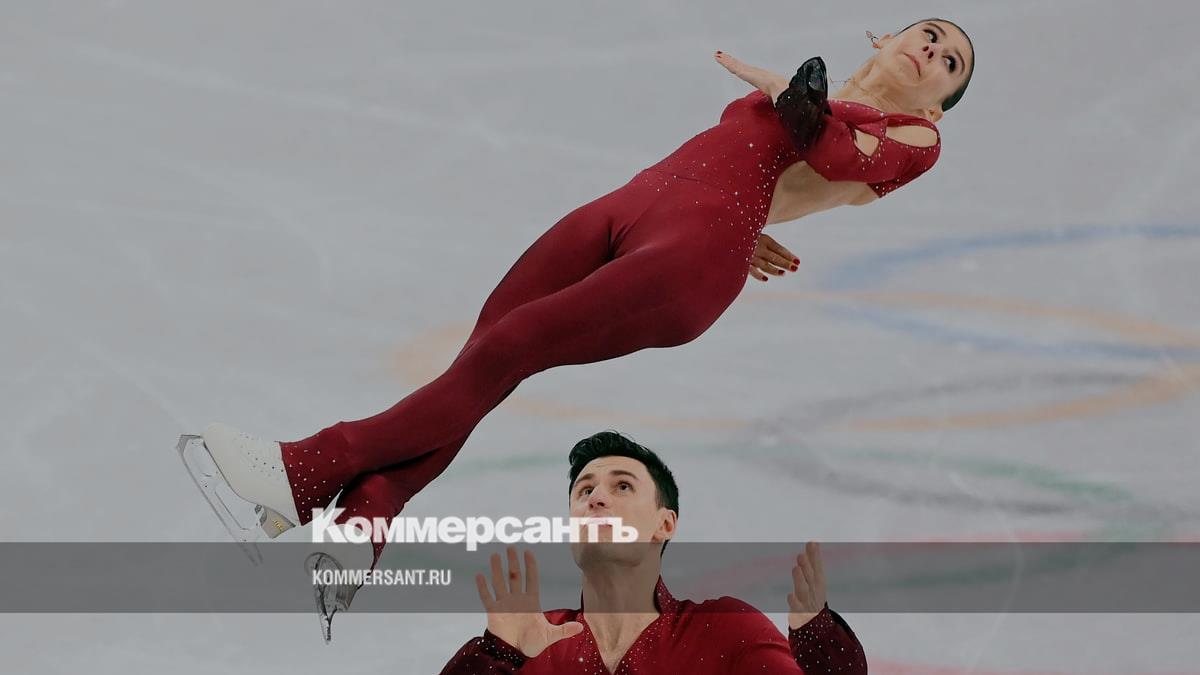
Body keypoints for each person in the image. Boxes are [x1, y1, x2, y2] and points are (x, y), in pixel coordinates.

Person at [187, 16, 973, 636]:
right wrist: (765, 186)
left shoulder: (918, 139)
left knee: (510, 346)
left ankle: (306, 468)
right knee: (486, 348)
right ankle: (365, 522)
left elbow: (837, 153)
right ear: (885, 37)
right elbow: (772, 160)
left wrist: (783, 103)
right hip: (638, 203)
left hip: (691, 251)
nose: (933, 52)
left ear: (938, 101)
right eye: (930, 35)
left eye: (950, 63)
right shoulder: (820, 92)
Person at [439, 431, 867, 674]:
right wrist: (496, 655)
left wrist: (820, 650)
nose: (596, 499)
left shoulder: (723, 630)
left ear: (665, 524)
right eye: (584, 491)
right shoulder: (531, 644)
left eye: (622, 486)